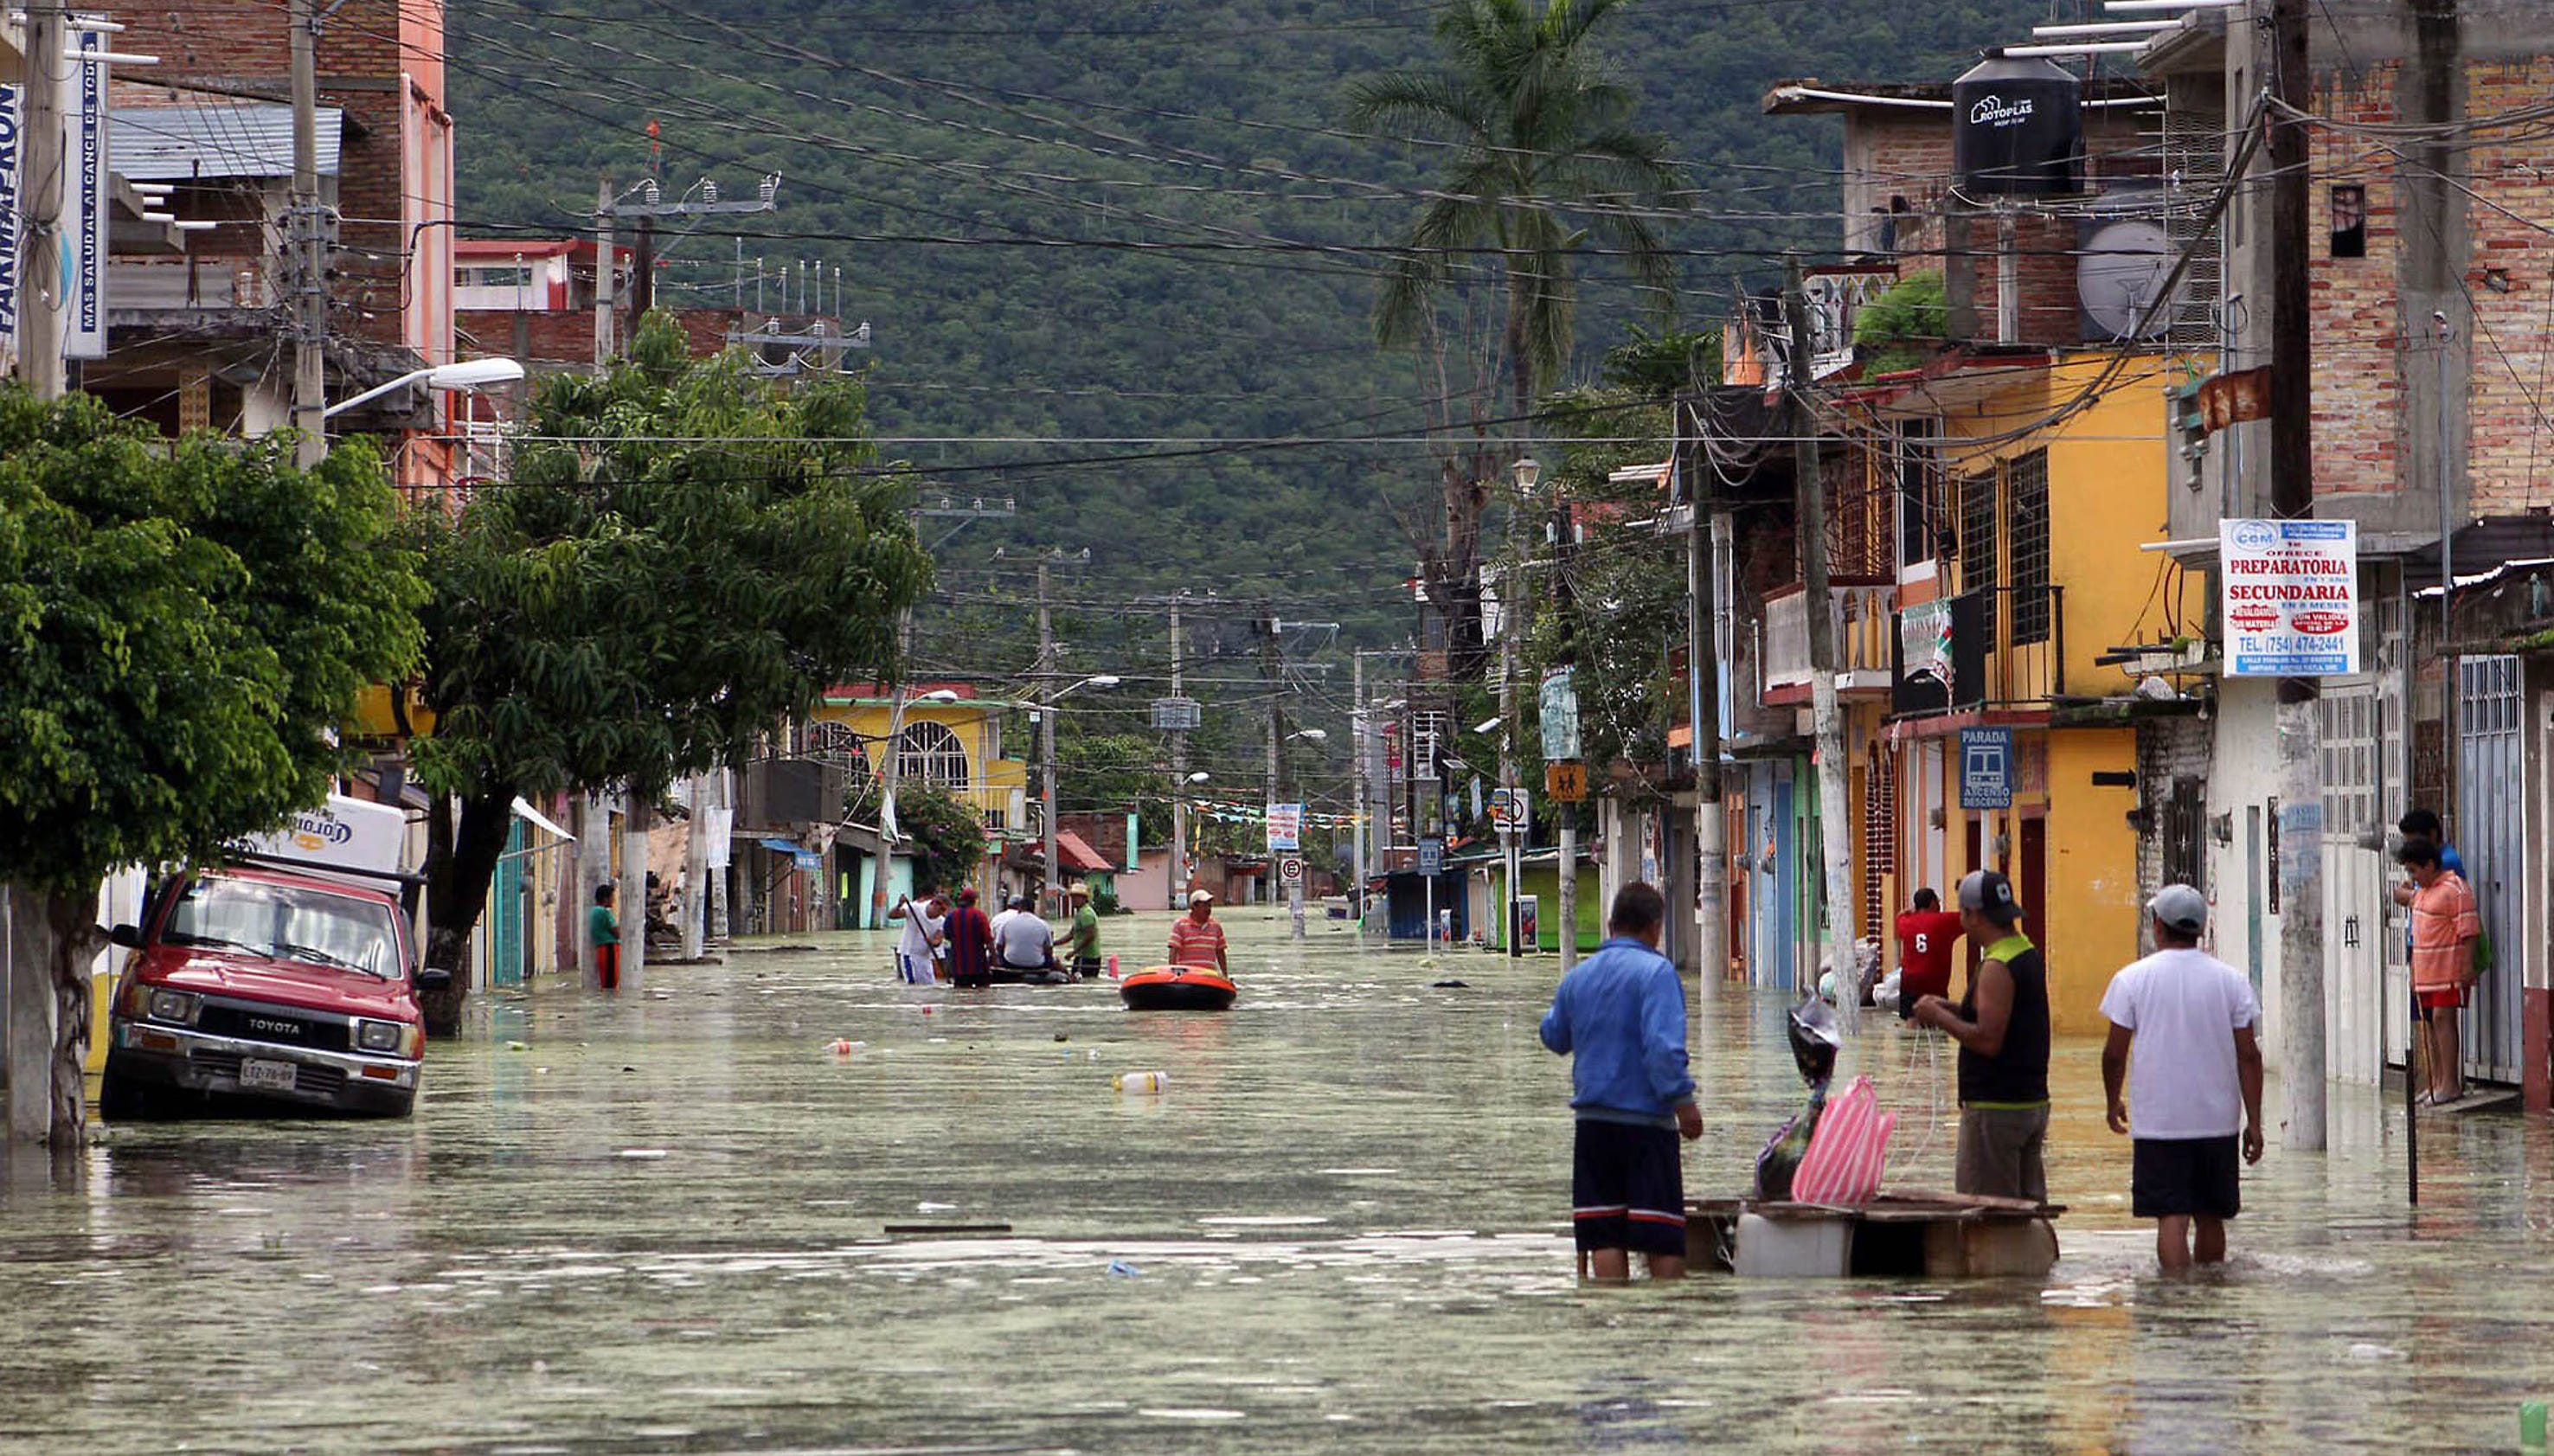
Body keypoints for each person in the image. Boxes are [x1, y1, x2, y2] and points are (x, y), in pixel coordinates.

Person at [1537, 882, 1702, 1281]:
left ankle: (1610, 1319)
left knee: (1603, 1234)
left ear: (1611, 925)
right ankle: (1666, 1324)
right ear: (1655, 928)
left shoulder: (1579, 976)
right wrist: (1685, 1105)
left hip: (1593, 1127)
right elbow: (1663, 1051)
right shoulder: (1657, 973)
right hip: (1647, 1128)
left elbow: (1553, 1036)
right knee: (1661, 1234)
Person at [2099, 885, 2265, 1273]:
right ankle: (2208, 1300)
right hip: (2216, 1121)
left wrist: (2112, 1102)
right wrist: (2254, 1121)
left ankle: (2176, 1304)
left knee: (2171, 1219)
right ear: (2200, 930)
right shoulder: (2232, 981)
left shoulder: (2131, 980)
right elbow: (2249, 1055)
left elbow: (2113, 1054)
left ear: (2158, 926)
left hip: (2159, 1124)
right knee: (2210, 1216)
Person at [1911, 869, 2050, 1203]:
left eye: (1962, 913)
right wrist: (1949, 1006)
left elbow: (1989, 1040)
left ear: (1974, 915)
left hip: (1995, 1110)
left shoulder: (1996, 966)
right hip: (2030, 1103)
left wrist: (1938, 1018)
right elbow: (2004, 1017)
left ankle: (1997, 1259)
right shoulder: (2025, 952)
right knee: (2028, 1211)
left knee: (1988, 1214)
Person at [2397, 837, 2480, 1104]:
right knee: (2431, 1024)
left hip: (2448, 971)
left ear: (2431, 865)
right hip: (2425, 974)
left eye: (2415, 870)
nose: (2413, 876)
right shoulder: (2422, 893)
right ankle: (2437, 1083)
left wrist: (2467, 966)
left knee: (2445, 1021)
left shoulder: (2455, 889)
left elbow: (2469, 931)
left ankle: (2451, 1084)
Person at [1893, 888, 1966, 1022]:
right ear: (1932, 903)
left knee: (1911, 1016)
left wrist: (1910, 912)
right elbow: (1968, 919)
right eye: (1938, 901)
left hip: (1910, 980)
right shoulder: (1945, 921)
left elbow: (1900, 916)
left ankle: (1910, 1037)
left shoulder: (1905, 922)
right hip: (1935, 980)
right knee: (1938, 1016)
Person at [993, 895, 1061, 976]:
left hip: (1010, 963)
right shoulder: (1044, 925)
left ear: (1020, 908)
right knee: (1054, 960)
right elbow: (1049, 950)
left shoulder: (1006, 923)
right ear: (1034, 909)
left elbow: (998, 946)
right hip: (1037, 965)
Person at [943, 887, 995, 989]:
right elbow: (988, 940)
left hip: (958, 967)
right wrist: (994, 959)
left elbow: (947, 936)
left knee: (961, 996)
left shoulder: (951, 917)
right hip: (979, 966)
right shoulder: (980, 916)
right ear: (974, 901)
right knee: (982, 996)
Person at [1167, 889, 1229, 974]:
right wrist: (1172, 972)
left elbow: (1220, 952)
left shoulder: (1216, 926)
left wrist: (1225, 975)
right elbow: (1173, 950)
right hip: (1187, 975)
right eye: (1204, 906)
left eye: (1209, 906)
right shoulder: (1180, 925)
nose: (1208, 909)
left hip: (1208, 975)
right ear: (1194, 907)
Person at [893, 889, 947, 985]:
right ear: (933, 904)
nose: (941, 913)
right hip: (909, 955)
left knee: (930, 987)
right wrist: (899, 905)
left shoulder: (941, 921)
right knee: (913, 987)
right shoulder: (915, 908)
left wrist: (932, 941)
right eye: (941, 909)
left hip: (925, 958)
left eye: (944, 910)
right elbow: (893, 915)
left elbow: (938, 940)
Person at [1064, 883, 1102, 978]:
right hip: (1083, 956)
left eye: (1075, 898)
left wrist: (1073, 952)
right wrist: (1054, 943)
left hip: (1087, 957)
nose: (1073, 900)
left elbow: (1090, 935)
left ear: (1084, 898)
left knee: (1078, 981)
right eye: (1072, 897)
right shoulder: (1080, 913)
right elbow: (1072, 934)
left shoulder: (1086, 914)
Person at [588, 882, 621, 991]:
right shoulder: (604, 912)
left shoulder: (593, 911)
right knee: (611, 983)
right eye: (612, 897)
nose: (613, 900)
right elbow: (616, 932)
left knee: (606, 981)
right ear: (605, 898)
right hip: (609, 949)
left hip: (602, 948)